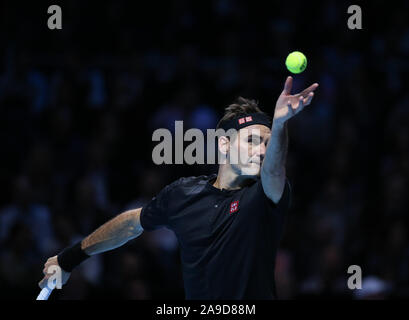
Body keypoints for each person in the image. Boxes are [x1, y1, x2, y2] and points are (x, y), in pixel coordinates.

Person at [39, 76, 318, 299]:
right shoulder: (184, 193)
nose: (262, 151)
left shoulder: (264, 196)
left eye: (268, 144)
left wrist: (280, 124)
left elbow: (274, 169)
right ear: (224, 144)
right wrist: (68, 259)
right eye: (253, 141)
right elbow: (131, 224)